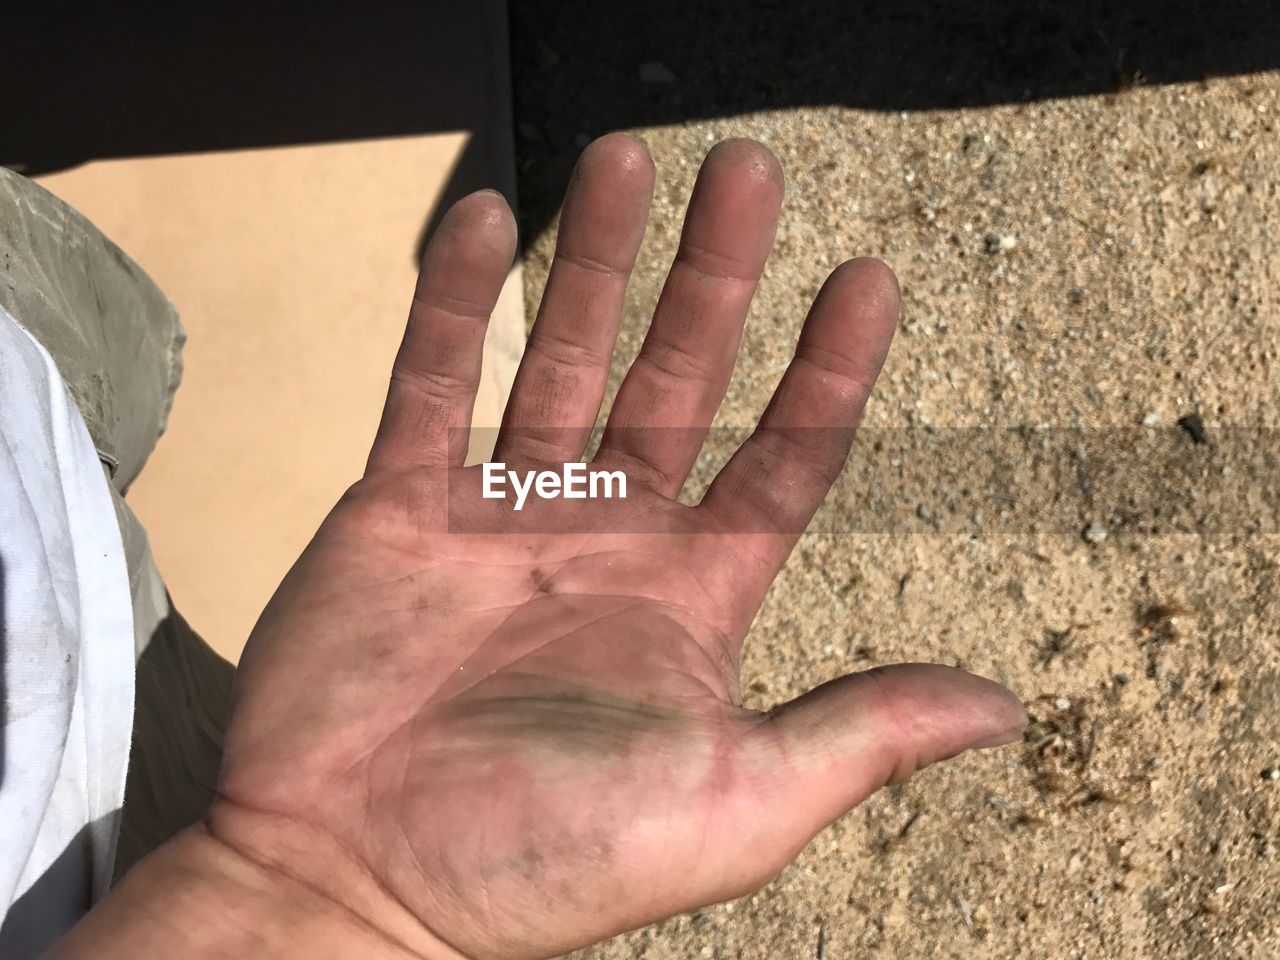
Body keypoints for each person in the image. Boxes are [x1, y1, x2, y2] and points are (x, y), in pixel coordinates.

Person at [1, 135, 1025, 959]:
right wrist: (302, 888)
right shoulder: (293, 844)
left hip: (35, 438)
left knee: (114, 343)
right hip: (109, 866)